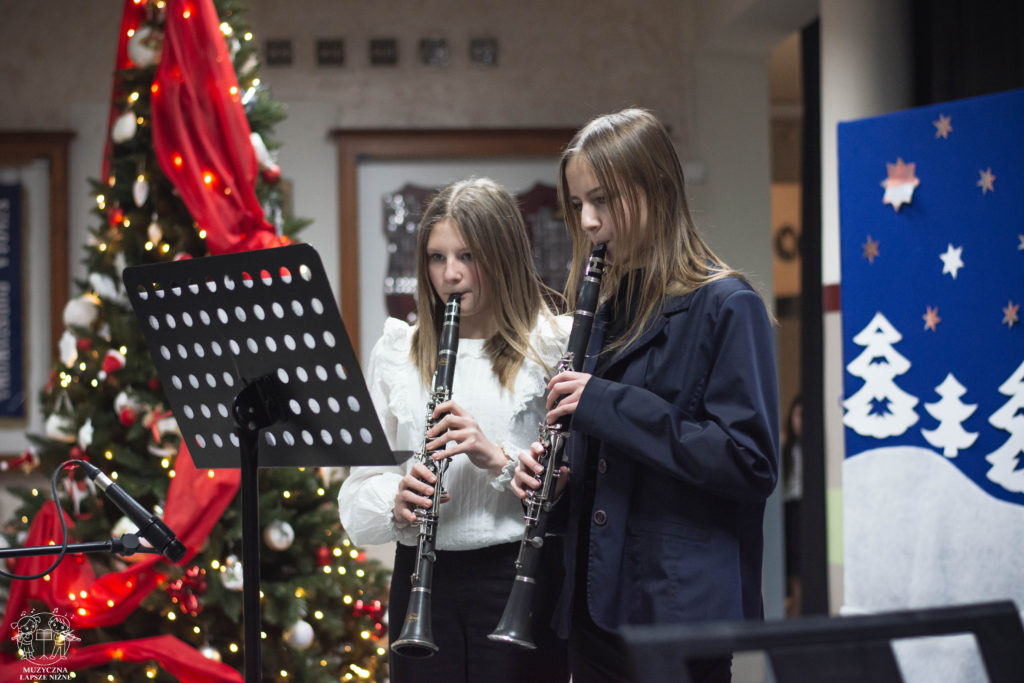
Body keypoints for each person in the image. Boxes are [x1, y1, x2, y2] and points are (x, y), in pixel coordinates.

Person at [512, 108, 780, 683]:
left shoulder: (728, 305)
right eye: (577, 204)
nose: (587, 221)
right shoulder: (603, 312)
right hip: (593, 603)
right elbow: (609, 459)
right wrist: (558, 478)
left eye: (602, 200)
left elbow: (749, 463)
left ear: (656, 190)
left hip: (676, 610)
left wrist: (604, 404)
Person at [338, 177, 570, 683]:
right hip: (421, 581)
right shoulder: (399, 352)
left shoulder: (552, 346)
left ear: (504, 257)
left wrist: (494, 457)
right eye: (436, 257)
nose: (451, 274)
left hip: (518, 579)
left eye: (468, 256)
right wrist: (396, 499)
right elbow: (356, 497)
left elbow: (569, 490)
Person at [782, 394, 804, 617]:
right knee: (791, 565)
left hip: (806, 510)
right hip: (788, 511)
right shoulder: (784, 449)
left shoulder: (815, 452)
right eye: (798, 415)